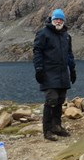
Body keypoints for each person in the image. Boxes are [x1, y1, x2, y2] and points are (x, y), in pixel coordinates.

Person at [33, 8, 77, 140]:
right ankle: (47, 131)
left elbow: (69, 54)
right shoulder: (43, 33)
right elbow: (37, 52)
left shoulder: (66, 36)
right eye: (56, 19)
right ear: (52, 20)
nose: (58, 21)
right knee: (51, 100)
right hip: (49, 73)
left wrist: (72, 69)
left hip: (63, 73)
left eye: (61, 19)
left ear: (63, 21)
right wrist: (39, 69)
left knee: (60, 101)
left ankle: (57, 126)